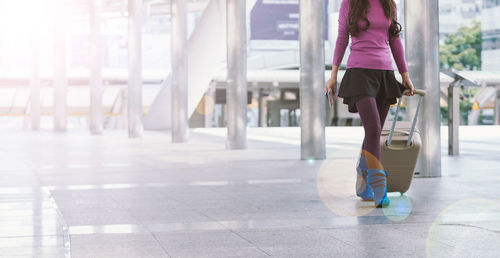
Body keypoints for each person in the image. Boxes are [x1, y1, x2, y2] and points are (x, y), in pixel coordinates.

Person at [325, 0, 415, 208]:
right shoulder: (349, 3)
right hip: (359, 72)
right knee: (373, 127)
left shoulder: (388, 4)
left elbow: (395, 41)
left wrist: (405, 75)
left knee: (374, 131)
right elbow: (341, 38)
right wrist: (334, 75)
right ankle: (378, 185)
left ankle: (362, 172)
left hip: (384, 72)